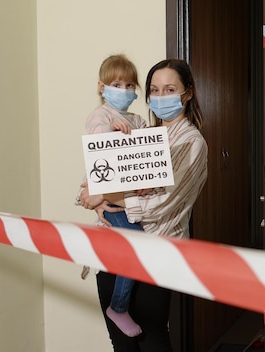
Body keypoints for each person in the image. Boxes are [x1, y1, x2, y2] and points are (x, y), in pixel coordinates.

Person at [79, 58, 208, 351]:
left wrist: (105, 196)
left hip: (155, 252)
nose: (161, 97)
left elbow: (161, 205)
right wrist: (96, 199)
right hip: (112, 247)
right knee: (122, 343)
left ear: (187, 93)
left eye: (170, 89)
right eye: (155, 90)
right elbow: (100, 170)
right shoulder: (142, 134)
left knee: (152, 340)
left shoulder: (192, 142)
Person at [78, 54, 146, 338]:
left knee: (137, 247)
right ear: (101, 87)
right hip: (110, 198)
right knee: (134, 249)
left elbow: (144, 160)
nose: (125, 89)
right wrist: (114, 135)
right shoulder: (101, 116)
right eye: (117, 83)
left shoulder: (139, 119)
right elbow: (100, 154)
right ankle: (117, 308)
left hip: (130, 199)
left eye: (130, 84)